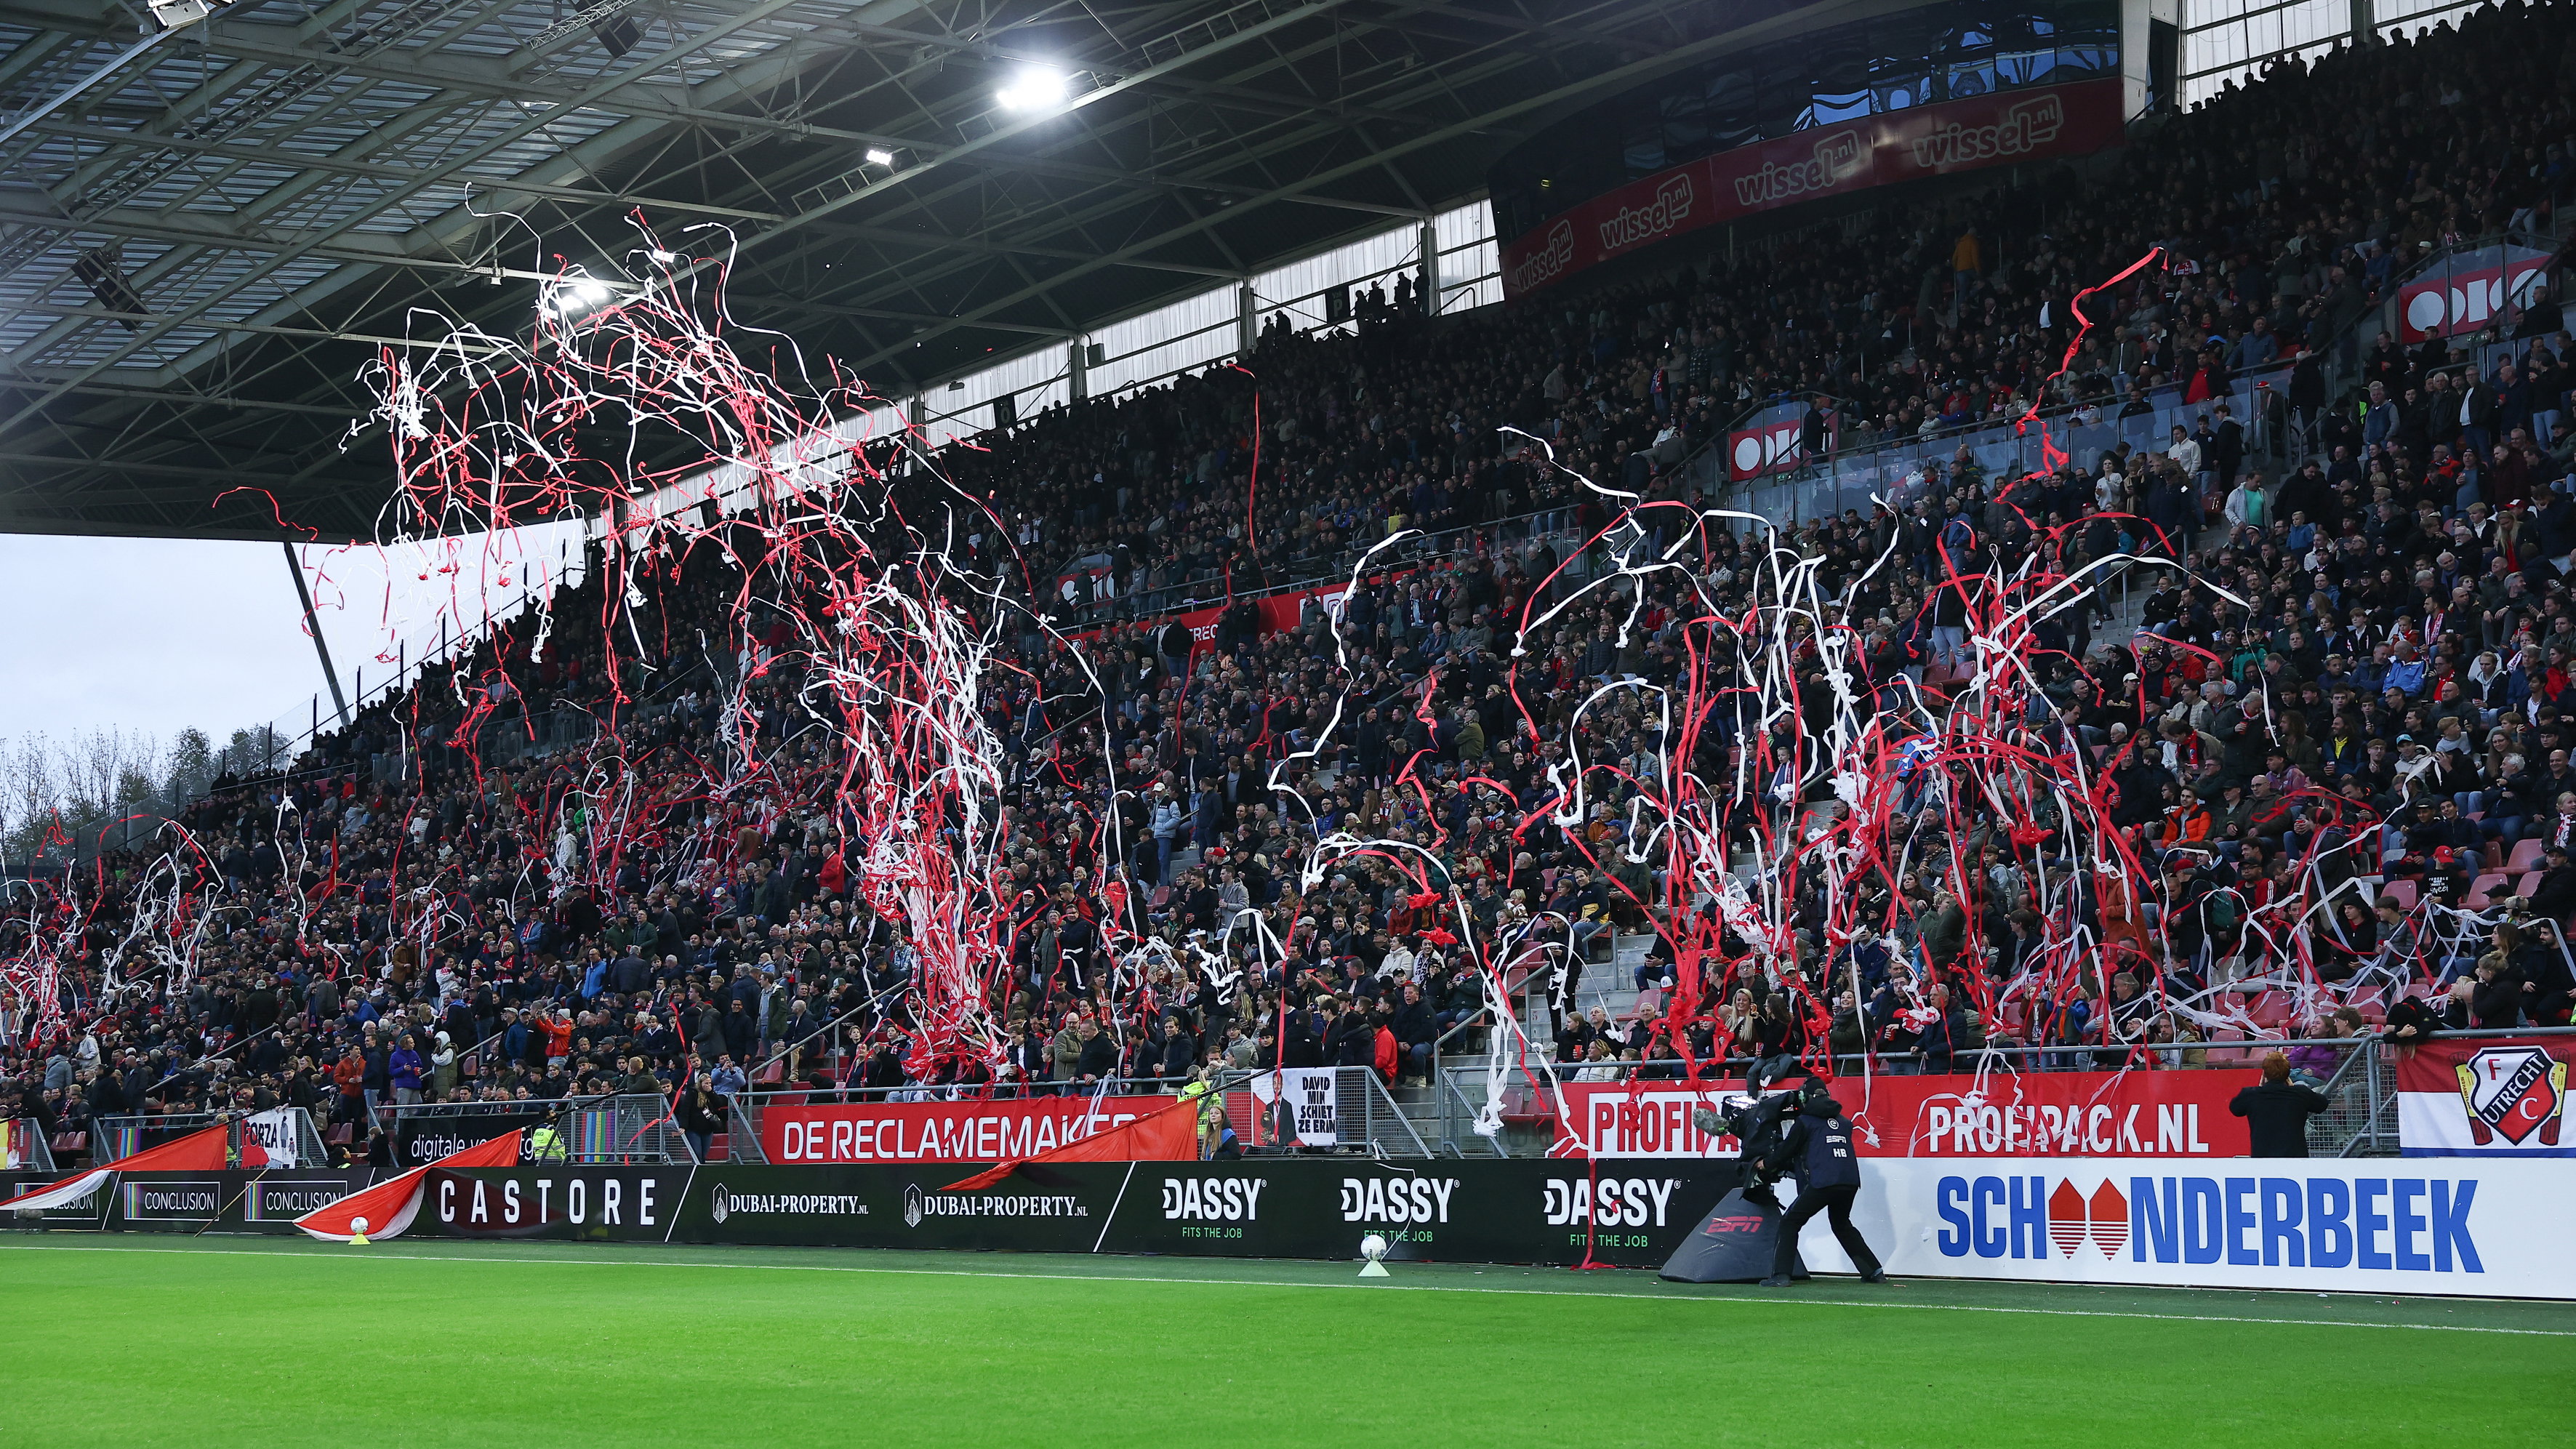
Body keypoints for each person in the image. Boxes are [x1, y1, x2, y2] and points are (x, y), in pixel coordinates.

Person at [1760, 1077, 1889, 1288]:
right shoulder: (1845, 1122)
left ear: (1805, 1098)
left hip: (1823, 1181)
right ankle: (1874, 1270)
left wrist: (1766, 1164)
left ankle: (1781, 1275)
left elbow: (1786, 1151)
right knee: (1842, 1224)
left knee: (1790, 1222)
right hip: (1849, 1181)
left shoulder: (1805, 1122)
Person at [2228, 1051, 2330, 1157]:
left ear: (2264, 1074)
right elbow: (2322, 1104)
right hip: (2295, 1158)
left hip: (2263, 1157)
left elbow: (2235, 1109)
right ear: (2288, 1074)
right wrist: (2293, 1088)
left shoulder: (2250, 1095)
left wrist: (2259, 1088)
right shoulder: (2300, 1093)